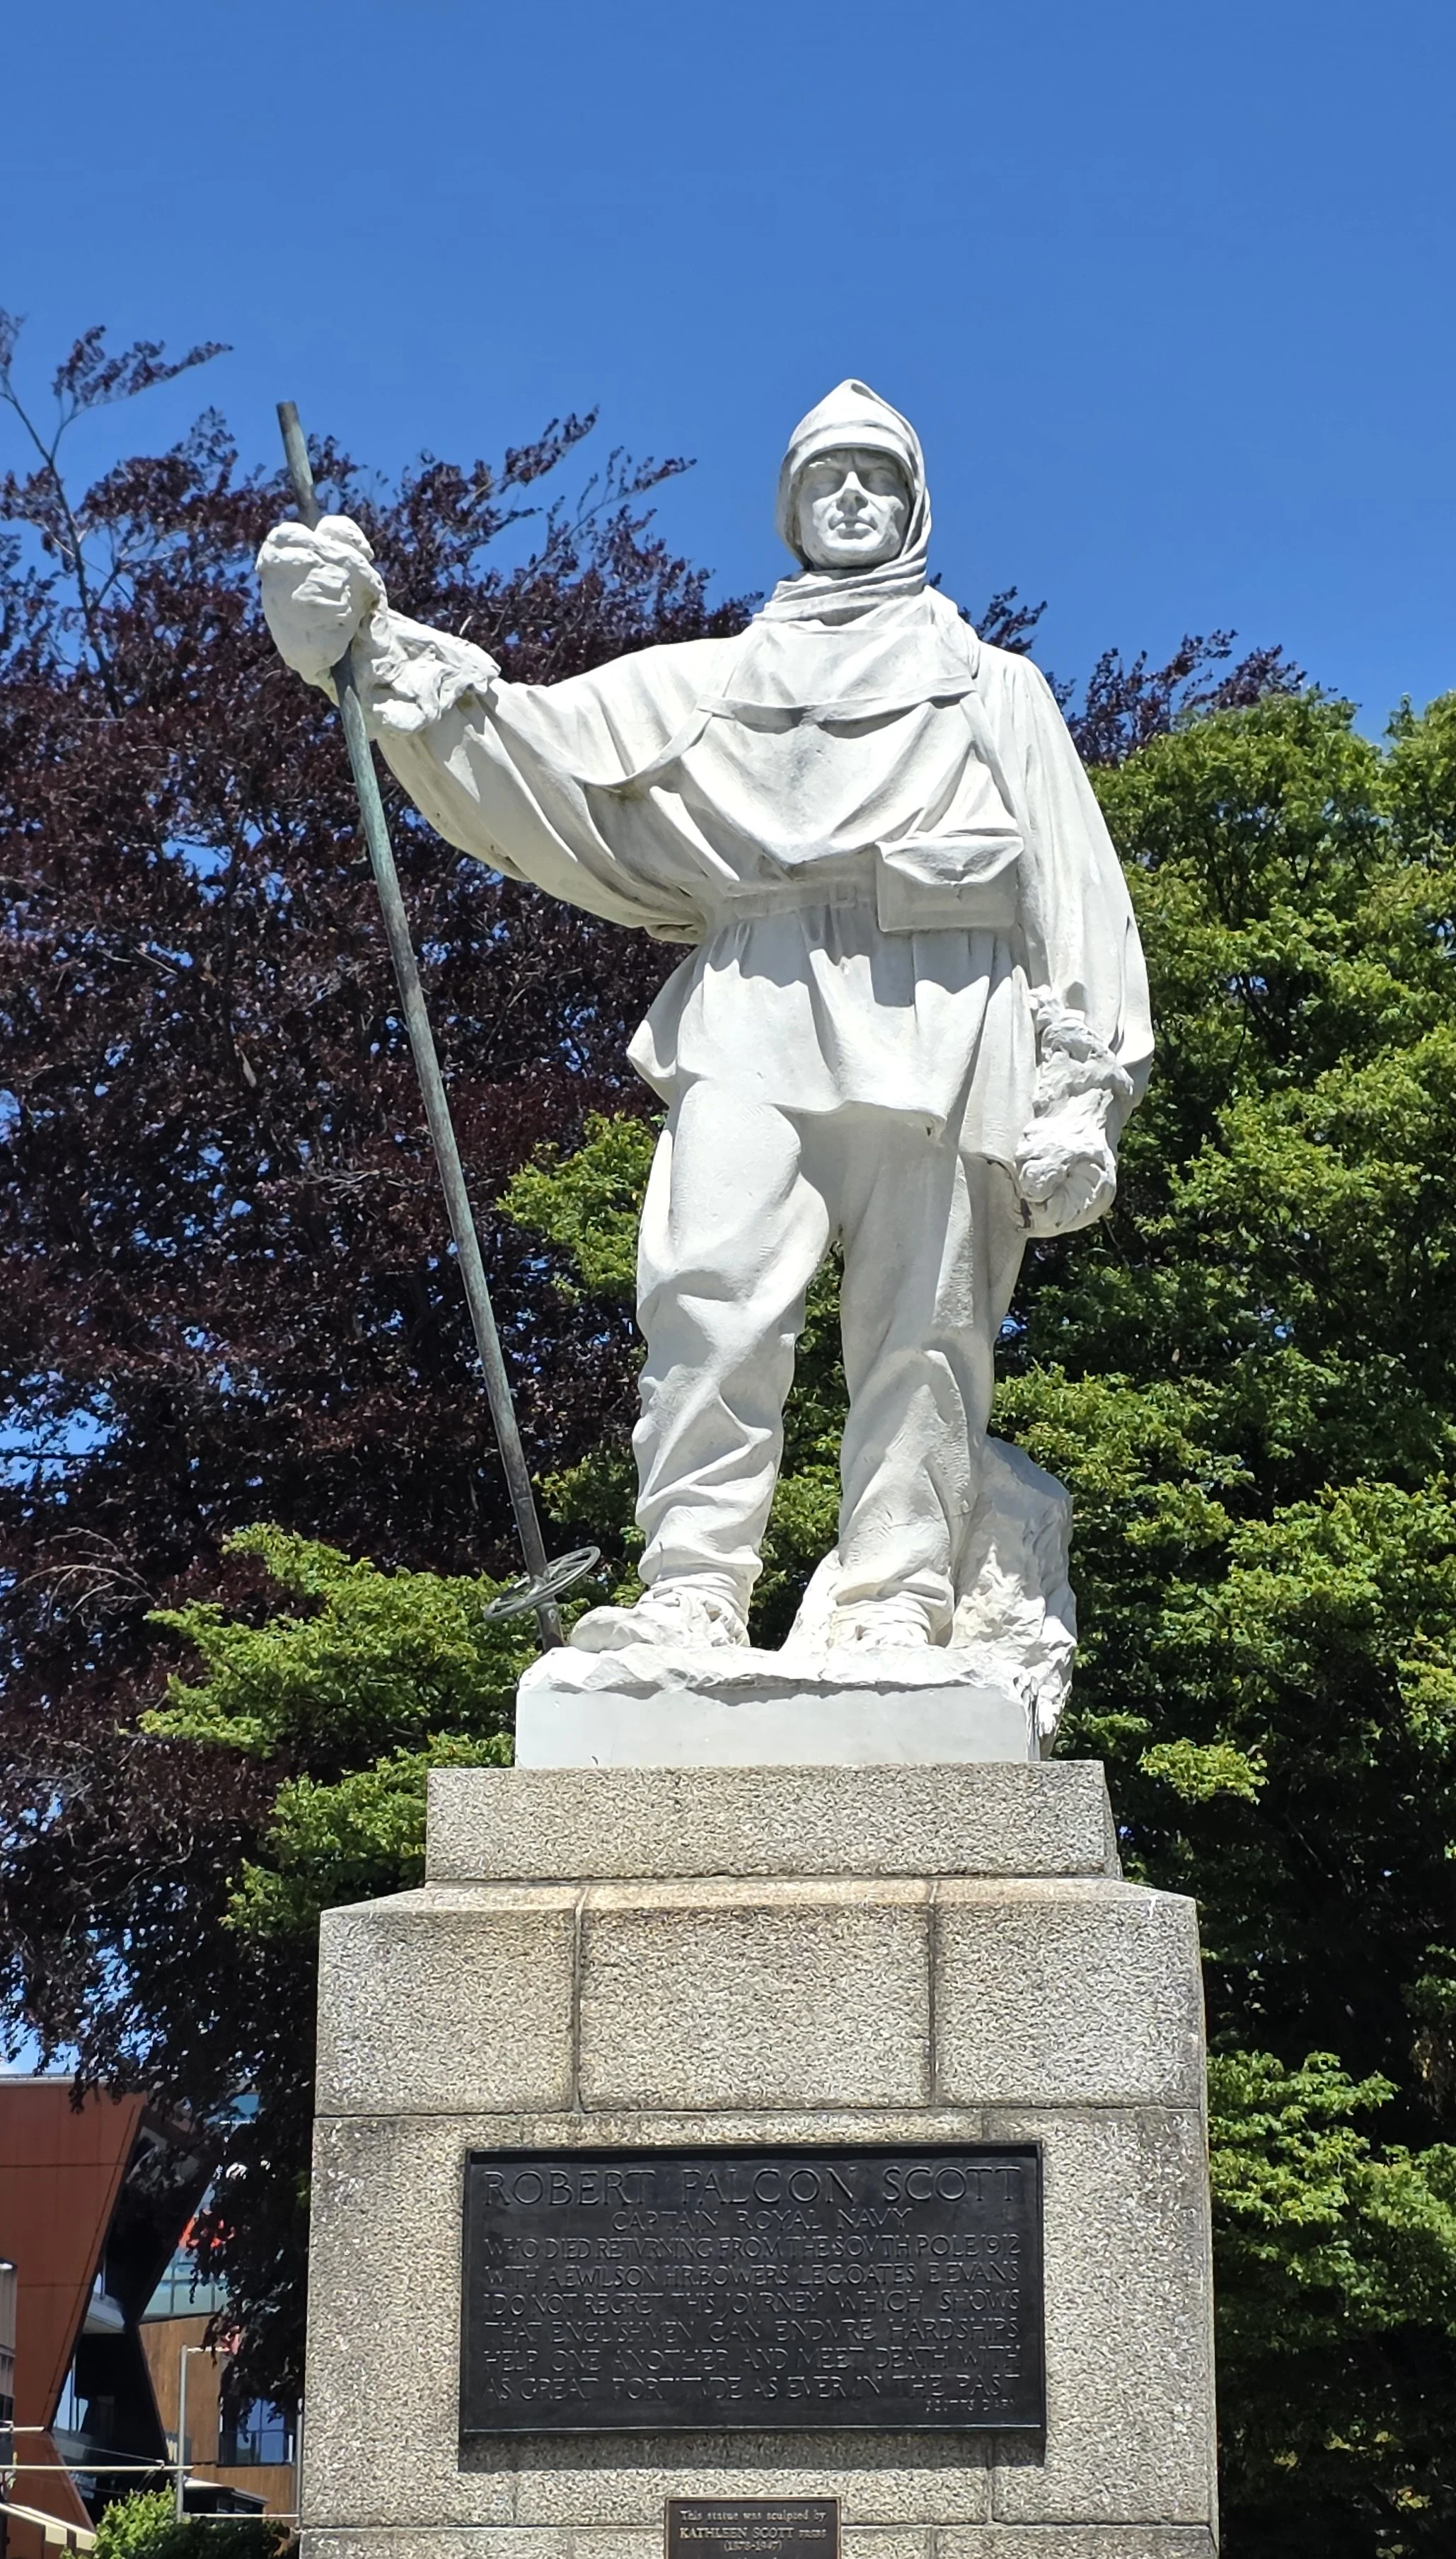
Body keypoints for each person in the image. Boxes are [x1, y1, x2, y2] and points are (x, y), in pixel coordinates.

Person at [258, 382, 1152, 1660]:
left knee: (926, 1327)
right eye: (825, 478)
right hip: (754, 995)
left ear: (914, 507)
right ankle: (692, 1584)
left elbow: (1072, 892)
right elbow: (526, 745)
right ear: (789, 510)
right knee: (705, 1293)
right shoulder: (708, 684)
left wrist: (1084, 1092)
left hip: (951, 1009)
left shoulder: (993, 689)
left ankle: (897, 1595)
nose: (852, 496)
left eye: (877, 478)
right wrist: (363, 639)